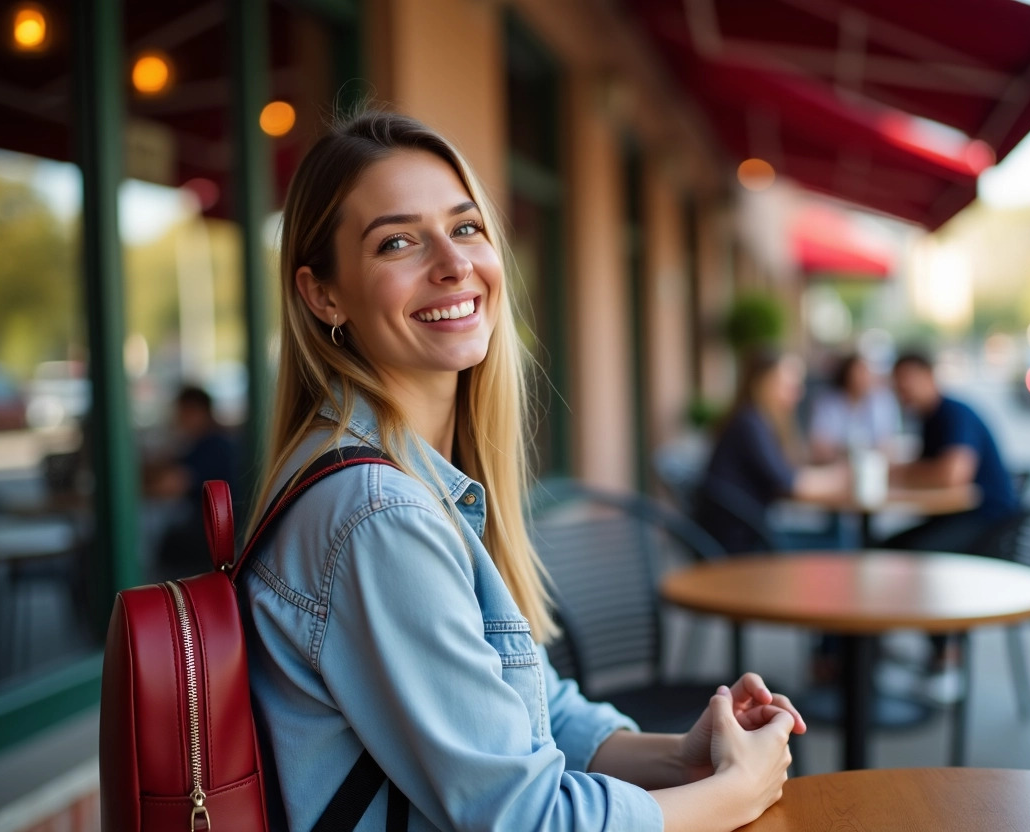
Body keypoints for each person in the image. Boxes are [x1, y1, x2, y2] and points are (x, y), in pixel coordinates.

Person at [238, 110, 804, 832]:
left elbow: (527, 706)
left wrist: (684, 754)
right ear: (324, 295)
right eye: (398, 241)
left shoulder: (413, 483)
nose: (453, 263)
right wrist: (734, 793)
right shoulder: (379, 517)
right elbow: (525, 819)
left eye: (466, 227)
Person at [884, 350, 1020, 696]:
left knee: (920, 561)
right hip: (961, 518)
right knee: (881, 552)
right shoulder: (930, 418)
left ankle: (947, 659)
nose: (903, 392)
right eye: (897, 386)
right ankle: (870, 654)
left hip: (993, 526)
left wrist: (901, 471)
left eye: (908, 383)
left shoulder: (954, 413)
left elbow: (951, 474)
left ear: (930, 377)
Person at [696, 350, 849, 554]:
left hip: (752, 530)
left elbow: (790, 471)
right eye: (789, 383)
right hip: (741, 540)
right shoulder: (749, 423)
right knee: (841, 542)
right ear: (764, 383)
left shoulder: (760, 420)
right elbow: (790, 482)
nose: (798, 392)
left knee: (841, 536)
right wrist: (842, 476)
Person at [148, 384, 238, 578]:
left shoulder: (214, 445)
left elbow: (170, 486)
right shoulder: (200, 443)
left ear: (197, 412)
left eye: (182, 413)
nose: (178, 419)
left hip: (211, 536)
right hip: (208, 532)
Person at [808, 353, 900, 464]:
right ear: (846, 375)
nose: (864, 378)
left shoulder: (882, 401)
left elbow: (887, 444)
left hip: (872, 466)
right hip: (836, 467)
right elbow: (820, 447)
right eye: (858, 373)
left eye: (867, 372)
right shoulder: (828, 404)